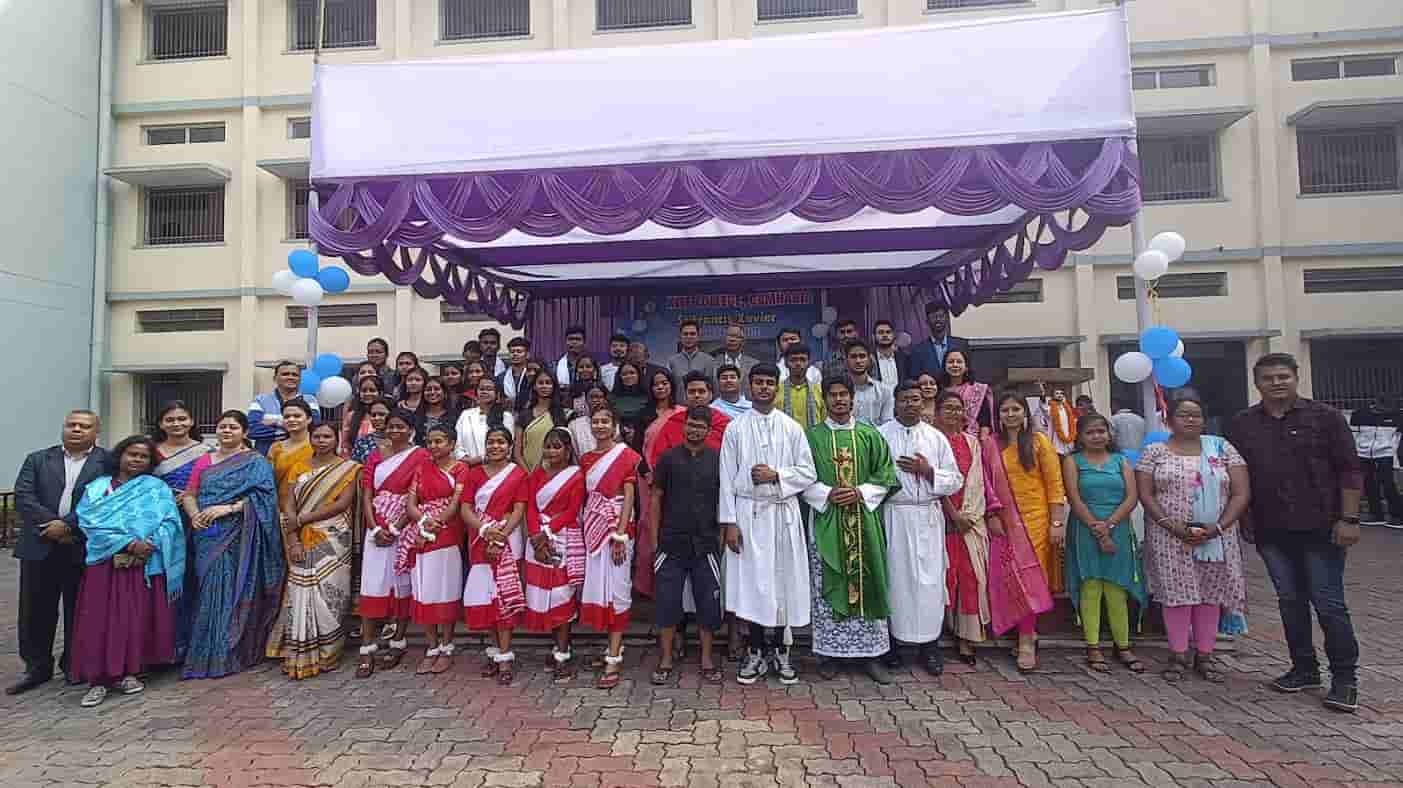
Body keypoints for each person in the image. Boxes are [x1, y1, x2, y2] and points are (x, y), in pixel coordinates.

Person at [1228, 353, 1363, 712]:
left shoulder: (1326, 418)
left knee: (1328, 603)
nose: (1276, 383)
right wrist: (1241, 518)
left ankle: (1345, 678)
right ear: (1257, 383)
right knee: (1289, 601)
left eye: (1283, 376)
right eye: (1268, 378)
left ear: (1295, 378)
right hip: (1271, 529)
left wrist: (1350, 519)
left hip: (1323, 527)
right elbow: (1236, 474)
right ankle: (1304, 668)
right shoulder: (1243, 424)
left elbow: (1350, 469)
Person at [1138, 391, 1251, 684]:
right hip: (1168, 536)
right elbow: (1146, 494)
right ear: (1169, 419)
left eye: (1196, 415)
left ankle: (1205, 655)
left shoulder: (1222, 448)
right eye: (1183, 415)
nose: (1190, 420)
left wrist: (1217, 528)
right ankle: (1177, 654)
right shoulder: (1155, 452)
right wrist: (1170, 525)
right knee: (1176, 595)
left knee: (1209, 594)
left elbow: (1240, 493)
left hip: (1217, 536)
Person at [720, 363, 817, 686]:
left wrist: (777, 475)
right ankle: (755, 650)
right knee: (752, 585)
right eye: (758, 382)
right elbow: (725, 478)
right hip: (749, 514)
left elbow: (808, 472)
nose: (763, 387)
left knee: (782, 582)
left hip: (782, 514)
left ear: (777, 387)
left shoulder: (792, 428)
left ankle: (781, 651)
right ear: (749, 387)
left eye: (769, 382)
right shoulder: (735, 428)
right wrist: (729, 523)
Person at [69, 435, 184, 707]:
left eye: (144, 456)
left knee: (134, 617)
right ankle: (97, 679)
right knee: (99, 619)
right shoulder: (98, 488)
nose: (137, 460)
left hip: (142, 565)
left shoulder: (156, 488)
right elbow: (88, 522)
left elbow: (170, 523)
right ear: (119, 455)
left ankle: (129, 672)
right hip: (105, 564)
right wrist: (128, 543)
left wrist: (150, 543)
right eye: (132, 454)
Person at [800, 376, 900, 683]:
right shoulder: (811, 437)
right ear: (825, 399)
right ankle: (830, 654)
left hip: (864, 521)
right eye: (833, 395)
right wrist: (826, 493)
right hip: (827, 519)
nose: (840, 399)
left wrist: (861, 492)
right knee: (827, 582)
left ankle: (872, 655)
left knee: (869, 579)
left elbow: (886, 473)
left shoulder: (869, 434)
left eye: (844, 394)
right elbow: (801, 475)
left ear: (853, 398)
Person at [11, 410, 109, 694]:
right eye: (72, 424)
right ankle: (36, 668)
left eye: (84, 426)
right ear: (64, 427)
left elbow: (105, 501)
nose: (77, 429)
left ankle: (73, 665)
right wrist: (52, 524)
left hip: (81, 545)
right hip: (39, 544)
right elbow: (24, 497)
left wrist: (67, 526)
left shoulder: (107, 462)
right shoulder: (38, 459)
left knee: (78, 609)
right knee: (34, 610)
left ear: (96, 432)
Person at [180, 410, 282, 680]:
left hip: (240, 532)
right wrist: (194, 515)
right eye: (222, 426)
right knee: (208, 590)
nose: (226, 431)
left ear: (244, 432)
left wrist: (228, 508)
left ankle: (227, 653)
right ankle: (203, 653)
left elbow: (266, 499)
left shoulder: (255, 462)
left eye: (233, 427)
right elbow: (190, 494)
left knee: (233, 589)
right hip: (206, 533)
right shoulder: (204, 460)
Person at [878, 382, 963, 676]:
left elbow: (955, 480)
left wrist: (927, 472)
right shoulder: (881, 435)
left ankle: (930, 647)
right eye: (904, 399)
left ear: (922, 402)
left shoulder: (935, 437)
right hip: (894, 515)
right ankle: (893, 645)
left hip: (927, 516)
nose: (910, 404)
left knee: (929, 583)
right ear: (895, 402)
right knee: (895, 579)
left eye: (915, 399)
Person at [266, 421, 359, 680]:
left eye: (327, 436)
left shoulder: (348, 469)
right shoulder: (299, 467)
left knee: (330, 594)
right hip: (300, 536)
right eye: (317, 436)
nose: (322, 441)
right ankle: (302, 654)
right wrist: (293, 538)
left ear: (336, 439)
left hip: (334, 538)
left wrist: (302, 519)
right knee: (301, 592)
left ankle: (328, 652)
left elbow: (342, 504)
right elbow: (288, 503)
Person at [1062, 413, 1147, 674]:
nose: (1097, 436)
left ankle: (1123, 646)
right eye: (1090, 432)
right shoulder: (1072, 461)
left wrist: (1109, 525)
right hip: (1084, 528)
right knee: (1090, 586)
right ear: (1080, 437)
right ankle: (1093, 646)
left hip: (1118, 527)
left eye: (1101, 431)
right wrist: (1097, 529)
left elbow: (1132, 497)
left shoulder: (1121, 461)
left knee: (1116, 587)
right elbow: (1074, 498)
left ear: (1110, 434)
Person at [649, 406, 726, 685]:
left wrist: (720, 537)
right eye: (691, 424)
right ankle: (666, 659)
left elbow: (725, 500)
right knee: (667, 602)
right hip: (671, 542)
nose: (694, 430)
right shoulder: (668, 458)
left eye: (700, 426)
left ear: (708, 430)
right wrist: (655, 540)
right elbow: (656, 497)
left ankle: (706, 659)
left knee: (708, 602)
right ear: (684, 426)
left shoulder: (718, 460)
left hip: (706, 543)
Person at [992, 391, 1066, 671]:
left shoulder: (1038, 441)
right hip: (1003, 522)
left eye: (1016, 409)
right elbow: (986, 485)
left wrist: (1056, 523)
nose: (1010, 415)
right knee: (1010, 579)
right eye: (1005, 410)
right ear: (998, 415)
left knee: (1030, 580)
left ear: (1025, 412)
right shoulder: (991, 445)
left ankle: (1025, 641)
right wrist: (991, 516)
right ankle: (1024, 630)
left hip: (1034, 521)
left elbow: (1055, 484)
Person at [933, 391, 1001, 665]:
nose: (953, 413)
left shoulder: (972, 443)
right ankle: (936, 634)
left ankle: (966, 637)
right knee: (944, 577)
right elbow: (931, 481)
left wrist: (970, 516)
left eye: (957, 408)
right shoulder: (932, 441)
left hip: (970, 519)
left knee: (970, 577)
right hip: (939, 519)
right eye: (947, 408)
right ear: (937, 413)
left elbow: (979, 480)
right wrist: (952, 516)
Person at [355, 408, 423, 679]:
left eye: (400, 426)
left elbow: (417, 495)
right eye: (391, 426)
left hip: (404, 527)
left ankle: (397, 642)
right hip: (376, 526)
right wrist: (374, 527)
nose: (395, 431)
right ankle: (367, 647)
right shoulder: (375, 455)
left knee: (400, 584)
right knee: (371, 584)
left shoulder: (420, 456)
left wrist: (396, 527)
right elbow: (367, 493)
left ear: (411, 430)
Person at [577, 408, 641, 689]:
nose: (600, 426)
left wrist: (620, 535)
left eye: (605, 421)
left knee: (617, 590)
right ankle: (609, 647)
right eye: (596, 421)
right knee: (599, 590)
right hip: (592, 529)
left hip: (617, 528)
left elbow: (629, 496)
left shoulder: (627, 456)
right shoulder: (586, 459)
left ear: (615, 426)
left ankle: (614, 657)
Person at [460, 426, 529, 684]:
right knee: (485, 597)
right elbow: (465, 509)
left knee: (503, 597)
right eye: (491, 441)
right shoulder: (474, 474)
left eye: (501, 442)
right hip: (479, 538)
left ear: (510, 447)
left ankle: (505, 656)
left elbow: (519, 509)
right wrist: (484, 529)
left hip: (508, 539)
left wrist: (500, 536)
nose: (495, 446)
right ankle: (495, 650)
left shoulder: (518, 474)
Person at [402, 425, 470, 675]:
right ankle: (431, 647)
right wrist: (423, 521)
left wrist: (436, 523)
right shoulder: (421, 468)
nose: (433, 446)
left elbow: (455, 503)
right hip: (420, 531)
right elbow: (411, 504)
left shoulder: (461, 469)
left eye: (439, 441)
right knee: (425, 588)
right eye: (430, 441)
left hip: (448, 532)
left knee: (445, 588)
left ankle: (446, 646)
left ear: (451, 444)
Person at [523, 428, 586, 680]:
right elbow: (530, 507)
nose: (551, 451)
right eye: (548, 446)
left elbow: (572, 511)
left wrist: (546, 533)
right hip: (537, 541)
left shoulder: (576, 476)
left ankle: (563, 653)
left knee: (561, 595)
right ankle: (556, 647)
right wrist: (536, 538)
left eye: (557, 446)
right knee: (544, 596)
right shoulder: (537, 474)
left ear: (568, 450)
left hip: (563, 539)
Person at [152, 401, 212, 659]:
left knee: (195, 577)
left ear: (191, 421)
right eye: (170, 419)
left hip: (198, 521)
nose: (176, 424)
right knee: (166, 579)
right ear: (160, 424)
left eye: (182, 418)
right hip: (162, 524)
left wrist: (191, 499)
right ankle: (166, 645)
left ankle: (193, 644)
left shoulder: (207, 451)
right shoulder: (150, 453)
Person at [635, 368, 685, 597]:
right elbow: (636, 450)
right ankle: (648, 585)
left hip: (677, 479)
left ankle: (675, 585)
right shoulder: (644, 415)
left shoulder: (682, 413)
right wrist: (648, 474)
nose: (661, 387)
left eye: (665, 383)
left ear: (671, 385)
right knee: (649, 525)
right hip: (648, 479)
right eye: (656, 384)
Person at [645, 372, 731, 472]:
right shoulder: (674, 422)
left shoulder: (724, 424)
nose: (696, 395)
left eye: (701, 391)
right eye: (691, 392)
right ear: (685, 396)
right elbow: (658, 459)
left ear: (710, 395)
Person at [1350, 394, 1402, 527]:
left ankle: (1398, 515)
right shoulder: (1359, 415)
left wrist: (1395, 453)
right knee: (1369, 483)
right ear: (1375, 404)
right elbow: (1353, 434)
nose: (1386, 411)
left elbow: (1398, 437)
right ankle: (1376, 514)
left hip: (1386, 454)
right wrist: (1355, 451)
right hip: (1363, 454)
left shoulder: (1397, 416)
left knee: (1388, 484)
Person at [248, 361, 319, 455]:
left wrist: (275, 423)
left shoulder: (310, 400)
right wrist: (293, 429)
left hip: (303, 456)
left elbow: (314, 429)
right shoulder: (261, 400)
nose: (290, 377)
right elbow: (251, 431)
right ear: (275, 378)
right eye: (285, 374)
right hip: (266, 458)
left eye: (295, 375)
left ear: (300, 379)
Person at [515, 369, 570, 471]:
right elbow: (517, 453)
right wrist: (529, 474)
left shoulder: (563, 415)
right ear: (534, 386)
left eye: (548, 383)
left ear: (553, 386)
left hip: (555, 471)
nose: (544, 386)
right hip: (527, 470)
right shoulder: (524, 415)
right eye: (540, 383)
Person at [456, 377, 515, 466]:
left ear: (497, 394)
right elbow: (457, 443)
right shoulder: (466, 414)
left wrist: (480, 459)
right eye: (481, 389)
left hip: (496, 467)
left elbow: (508, 447)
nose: (484, 392)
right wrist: (466, 459)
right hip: (466, 466)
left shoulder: (506, 416)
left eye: (489, 389)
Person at [268, 398, 316, 507]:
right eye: (287, 417)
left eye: (297, 416)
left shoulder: (319, 445)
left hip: (312, 506)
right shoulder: (276, 448)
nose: (291, 419)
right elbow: (269, 482)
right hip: (281, 507)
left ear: (309, 419)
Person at [906, 303, 970, 381]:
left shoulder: (961, 344)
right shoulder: (917, 350)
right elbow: (913, 379)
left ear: (947, 319)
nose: (938, 319)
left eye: (941, 316)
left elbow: (969, 373)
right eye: (933, 317)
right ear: (927, 321)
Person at [940, 350, 993, 437]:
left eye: (959, 362)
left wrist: (983, 440)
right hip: (943, 437)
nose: (955, 365)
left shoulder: (978, 390)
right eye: (951, 362)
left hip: (972, 438)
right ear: (944, 366)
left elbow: (984, 422)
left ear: (966, 367)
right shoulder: (939, 390)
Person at [843, 339, 894, 426]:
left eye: (862, 356)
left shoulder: (884, 391)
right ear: (846, 360)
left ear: (869, 359)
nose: (858, 361)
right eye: (853, 357)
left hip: (876, 434)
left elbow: (887, 425)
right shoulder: (839, 393)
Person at [779, 344, 826, 429]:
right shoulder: (776, 391)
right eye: (793, 360)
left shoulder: (820, 391)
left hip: (813, 436)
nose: (798, 363)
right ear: (786, 363)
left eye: (802, 360)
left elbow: (825, 422)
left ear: (809, 363)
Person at [340, 375, 386, 458]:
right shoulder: (351, 416)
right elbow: (346, 445)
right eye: (364, 390)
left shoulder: (389, 414)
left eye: (372, 390)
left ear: (380, 392)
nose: (367, 393)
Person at [666, 319, 718, 384]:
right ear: (680, 337)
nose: (689, 337)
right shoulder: (672, 362)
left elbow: (714, 386)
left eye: (692, 334)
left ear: (698, 336)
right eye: (685, 334)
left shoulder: (710, 361)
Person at [568, 382, 613, 455]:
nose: (595, 400)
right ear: (586, 399)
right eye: (592, 397)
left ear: (605, 399)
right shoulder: (574, 425)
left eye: (599, 397)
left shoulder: (612, 423)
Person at [415, 376, 460, 447]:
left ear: (445, 392)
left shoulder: (456, 417)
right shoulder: (416, 416)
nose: (432, 392)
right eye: (428, 389)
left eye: (436, 389)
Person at [608, 361, 650, 428]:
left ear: (639, 374)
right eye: (624, 374)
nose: (628, 376)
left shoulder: (649, 395)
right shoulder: (611, 397)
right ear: (619, 377)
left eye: (632, 373)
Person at [350, 399, 392, 464]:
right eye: (373, 415)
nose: (376, 418)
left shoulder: (401, 440)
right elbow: (355, 466)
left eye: (381, 414)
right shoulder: (362, 441)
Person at [869, 320, 910, 385]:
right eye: (881, 332)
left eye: (888, 332)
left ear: (893, 335)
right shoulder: (869, 359)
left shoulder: (904, 358)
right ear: (873, 336)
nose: (885, 335)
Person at [498, 336, 532, 406]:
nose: (515, 354)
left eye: (519, 351)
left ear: (527, 355)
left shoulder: (533, 374)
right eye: (512, 352)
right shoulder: (501, 377)